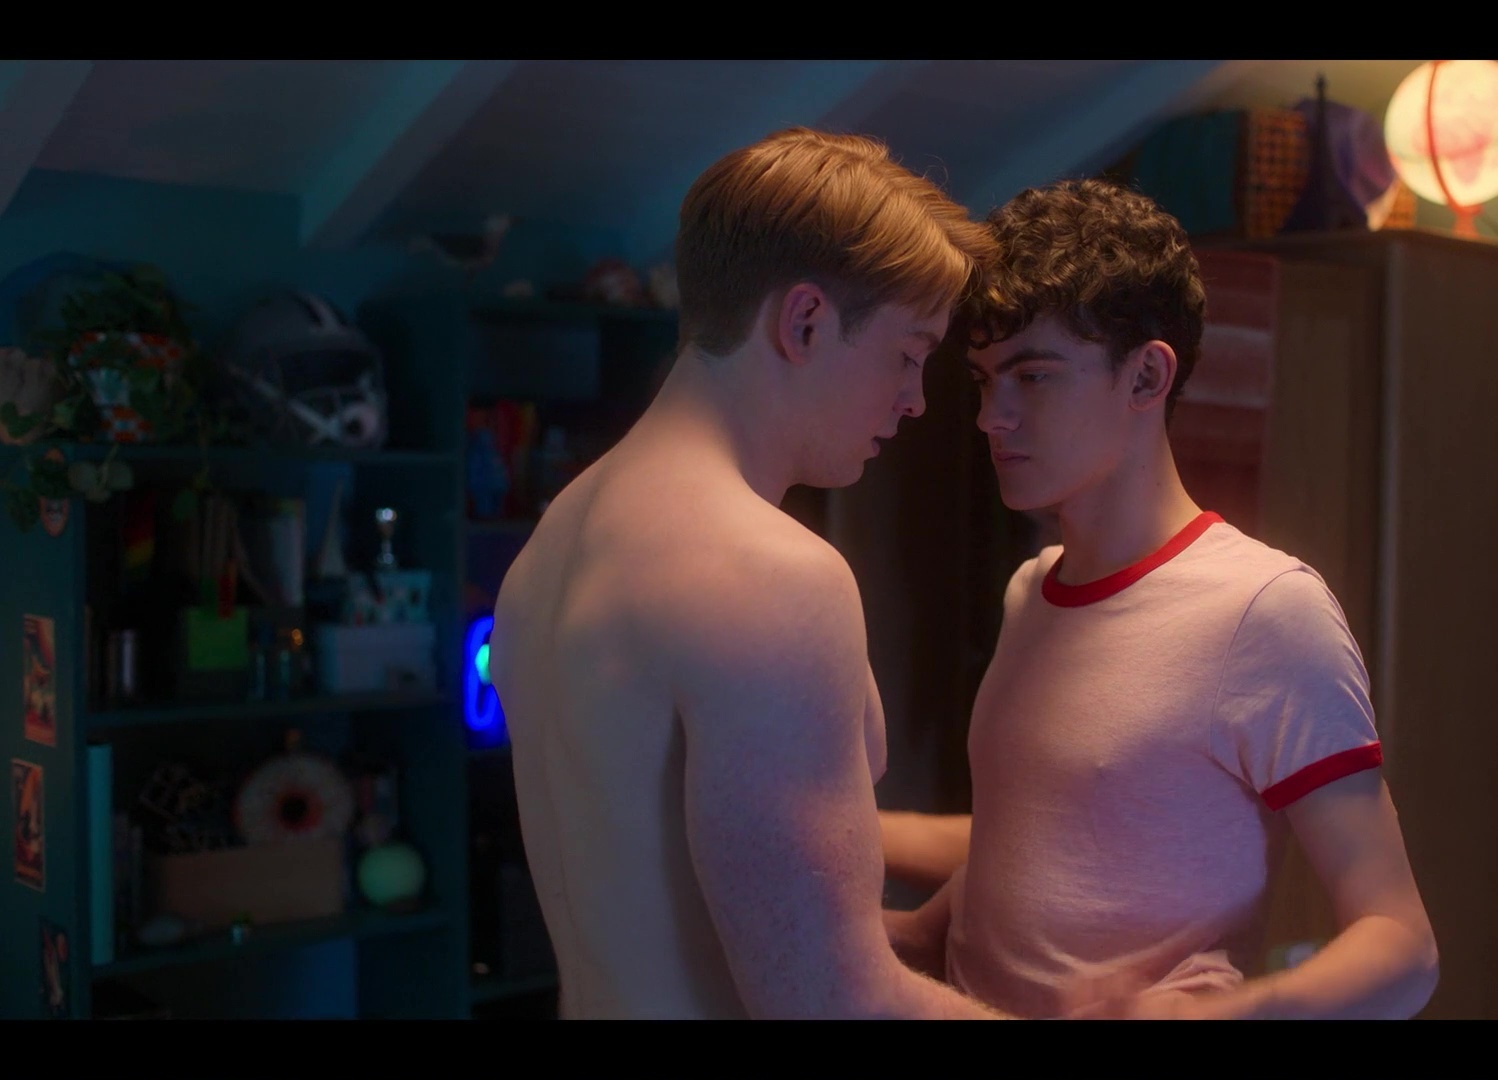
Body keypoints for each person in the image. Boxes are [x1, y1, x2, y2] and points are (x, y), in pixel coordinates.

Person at [881, 177, 1439, 1020]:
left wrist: (1212, 1017)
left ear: (1146, 375)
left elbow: (1402, 944)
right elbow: (1051, 847)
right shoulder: (1033, 592)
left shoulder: (1264, 610)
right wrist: (880, 915)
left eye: (1033, 376)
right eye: (985, 380)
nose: (992, 416)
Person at [489, 126, 1010, 1020]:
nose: (916, 400)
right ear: (804, 320)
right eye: (908, 353)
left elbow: (672, 921)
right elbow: (835, 1007)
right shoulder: (770, 575)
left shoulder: (552, 548)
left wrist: (909, 934)